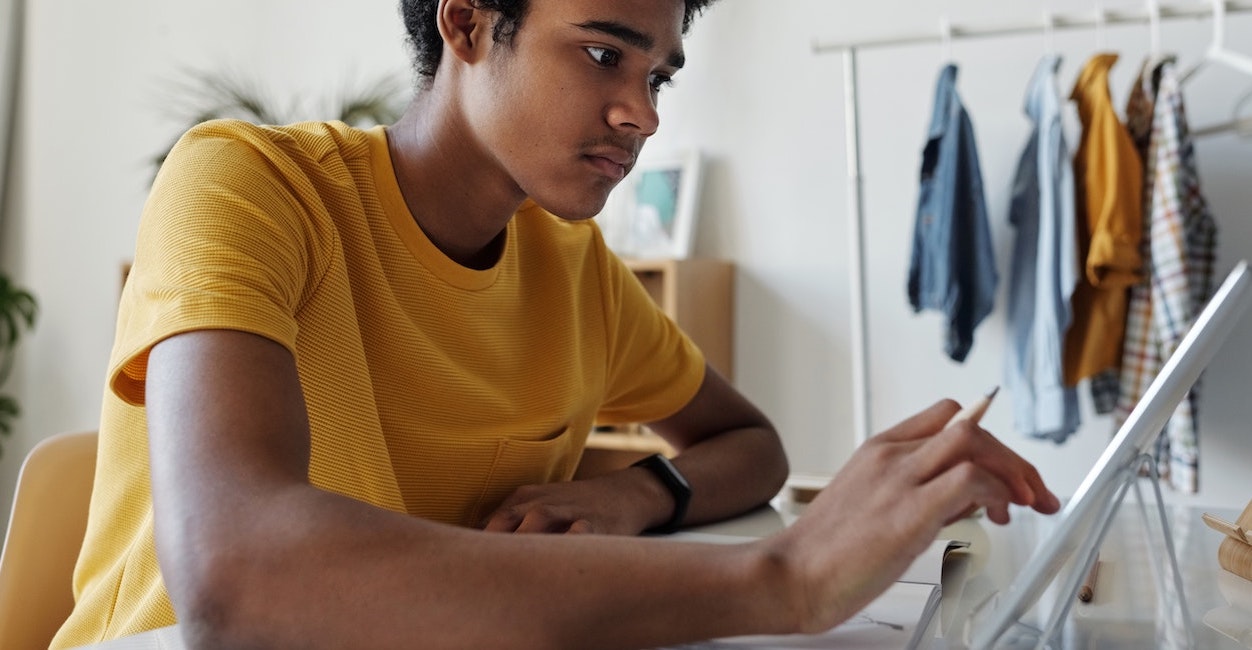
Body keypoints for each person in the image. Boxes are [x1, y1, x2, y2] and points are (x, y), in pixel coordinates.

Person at [52, 0, 1060, 648]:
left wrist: (635, 495)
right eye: (600, 52)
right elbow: (239, 577)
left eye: (656, 74)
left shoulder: (572, 266)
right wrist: (779, 578)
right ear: (464, 24)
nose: (642, 113)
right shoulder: (248, 185)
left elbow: (747, 444)